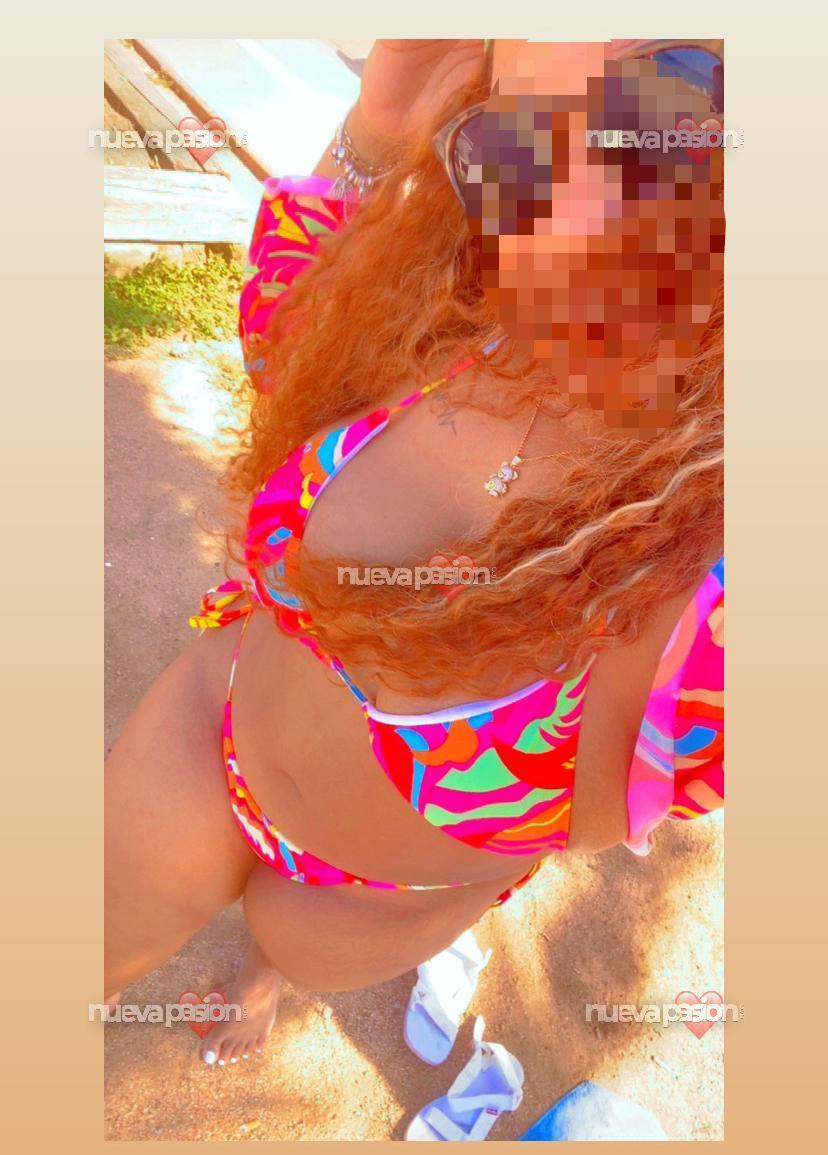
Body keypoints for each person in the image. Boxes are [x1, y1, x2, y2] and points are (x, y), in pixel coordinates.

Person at [105, 39, 724, 1067]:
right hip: (209, 736)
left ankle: (263, 972)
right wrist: (379, 130)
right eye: (512, 150)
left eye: (655, 139)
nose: (553, 230)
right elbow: (281, 346)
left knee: (283, 944)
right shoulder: (458, 291)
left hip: (372, 901)